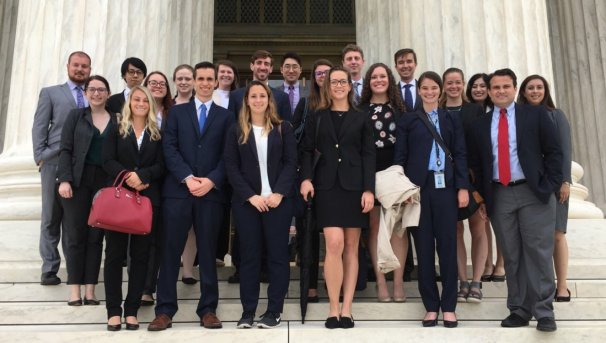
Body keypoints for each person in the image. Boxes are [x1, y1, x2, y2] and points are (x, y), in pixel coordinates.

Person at [468, 68, 562, 332]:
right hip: (499, 194)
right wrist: (480, 194)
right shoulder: (480, 124)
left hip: (534, 193)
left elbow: (555, 152)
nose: (500, 91)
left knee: (539, 252)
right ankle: (519, 309)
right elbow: (476, 162)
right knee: (511, 254)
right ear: (488, 91)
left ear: (514, 88)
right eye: (495, 87)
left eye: (505, 86)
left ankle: (544, 311)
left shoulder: (535, 115)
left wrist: (551, 184)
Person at [148, 61, 234, 331]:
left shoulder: (226, 116)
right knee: (170, 251)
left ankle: (208, 309)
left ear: (215, 82)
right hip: (178, 192)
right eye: (202, 78)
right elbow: (169, 148)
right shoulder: (176, 113)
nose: (207, 83)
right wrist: (187, 177)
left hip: (211, 193)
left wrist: (210, 181)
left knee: (208, 253)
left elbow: (228, 156)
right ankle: (164, 311)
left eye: (211, 79)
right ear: (194, 81)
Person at [300, 66, 376, 329]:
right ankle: (333, 309)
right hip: (327, 187)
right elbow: (307, 150)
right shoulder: (317, 116)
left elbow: (369, 155)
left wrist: (369, 189)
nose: (339, 86)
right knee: (334, 244)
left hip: (355, 188)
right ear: (327, 86)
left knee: (352, 247)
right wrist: (306, 178)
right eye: (334, 82)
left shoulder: (362, 117)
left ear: (350, 85)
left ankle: (347, 308)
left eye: (343, 81)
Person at [393, 71, 469, 328]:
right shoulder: (408, 120)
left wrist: (462, 187)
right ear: (419, 91)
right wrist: (403, 191)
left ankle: (449, 306)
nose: (429, 92)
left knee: (447, 248)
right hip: (418, 192)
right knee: (423, 250)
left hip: (446, 189)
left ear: (440, 90)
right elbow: (400, 158)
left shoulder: (450, 118)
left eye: (433, 88)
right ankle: (430, 307)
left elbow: (460, 153)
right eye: (424, 88)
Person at [224, 81, 297, 329]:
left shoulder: (283, 128)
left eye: (262, 96)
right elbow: (231, 168)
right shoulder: (236, 130)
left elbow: (290, 164)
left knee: (278, 258)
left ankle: (273, 311)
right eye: (253, 96)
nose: (257, 100)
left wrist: (279, 193)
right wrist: (250, 196)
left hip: (278, 203)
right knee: (250, 258)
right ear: (246, 100)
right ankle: (248, 312)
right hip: (248, 205)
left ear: (269, 99)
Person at [102, 86, 165, 331]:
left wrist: (143, 176)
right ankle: (113, 311)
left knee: (140, 257)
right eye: (136, 99)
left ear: (150, 104)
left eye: (144, 100)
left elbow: (162, 165)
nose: (140, 103)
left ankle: (131, 311)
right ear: (129, 103)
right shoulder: (116, 128)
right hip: (119, 201)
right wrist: (128, 175)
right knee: (115, 256)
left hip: (146, 201)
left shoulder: (157, 133)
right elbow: (106, 160)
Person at [32, 51, 91, 286]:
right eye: (76, 65)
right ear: (68, 66)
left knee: (74, 219)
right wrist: (40, 156)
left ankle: (74, 268)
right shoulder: (51, 93)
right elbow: (40, 125)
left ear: (89, 69)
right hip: (54, 161)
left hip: (82, 165)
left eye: (84, 66)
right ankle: (49, 268)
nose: (80, 69)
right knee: (51, 216)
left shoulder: (93, 94)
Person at [57, 75, 116, 306]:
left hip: (105, 183)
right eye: (92, 89)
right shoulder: (76, 116)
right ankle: (74, 290)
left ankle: (90, 290)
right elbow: (65, 149)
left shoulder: (117, 119)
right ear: (85, 93)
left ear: (108, 94)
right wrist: (64, 180)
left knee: (96, 237)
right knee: (75, 235)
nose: (96, 93)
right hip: (77, 181)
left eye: (101, 89)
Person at [517, 74, 572, 302]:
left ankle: (562, 286)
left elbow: (565, 149)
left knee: (557, 234)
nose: (535, 91)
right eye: (531, 88)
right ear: (524, 91)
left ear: (545, 90)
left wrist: (565, 181)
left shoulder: (555, 115)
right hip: (531, 186)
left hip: (556, 184)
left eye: (540, 87)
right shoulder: (518, 117)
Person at [358, 63, 406, 302]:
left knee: (398, 228)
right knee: (375, 228)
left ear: (389, 80)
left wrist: (399, 170)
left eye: (383, 76)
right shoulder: (360, 110)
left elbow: (406, 143)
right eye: (374, 77)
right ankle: (380, 283)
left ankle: (398, 283)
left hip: (396, 171)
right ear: (368, 81)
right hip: (369, 173)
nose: (378, 80)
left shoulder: (400, 108)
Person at [439, 68, 487, 303]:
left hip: (473, 178)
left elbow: (481, 147)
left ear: (463, 84)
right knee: (455, 231)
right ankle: (463, 280)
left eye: (458, 82)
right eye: (449, 82)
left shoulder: (474, 110)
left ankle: (477, 281)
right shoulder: (437, 112)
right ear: (444, 85)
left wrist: (481, 183)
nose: (454, 86)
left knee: (478, 228)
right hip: (446, 179)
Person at [290, 59, 333, 302]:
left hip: (335, 178)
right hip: (309, 175)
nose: (324, 77)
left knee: (333, 232)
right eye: (319, 73)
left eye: (328, 72)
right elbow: (294, 136)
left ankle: (332, 278)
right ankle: (310, 285)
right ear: (314, 77)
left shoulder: (343, 103)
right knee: (308, 232)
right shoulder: (306, 103)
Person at [466, 73, 504, 283]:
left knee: (499, 220)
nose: (478, 89)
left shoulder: (497, 110)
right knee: (484, 219)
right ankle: (487, 263)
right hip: (480, 174)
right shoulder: (470, 112)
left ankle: (501, 263)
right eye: (475, 86)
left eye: (482, 86)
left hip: (499, 172)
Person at [231, 50, 292, 121]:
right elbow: (232, 126)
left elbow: (287, 128)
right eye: (259, 63)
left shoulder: (283, 97)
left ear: (271, 69)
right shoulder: (235, 96)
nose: (262, 67)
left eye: (266, 64)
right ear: (252, 66)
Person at [394, 48, 422, 112]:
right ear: (396, 67)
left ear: (415, 64)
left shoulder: (424, 89)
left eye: (409, 61)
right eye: (401, 62)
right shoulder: (392, 92)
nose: (405, 66)